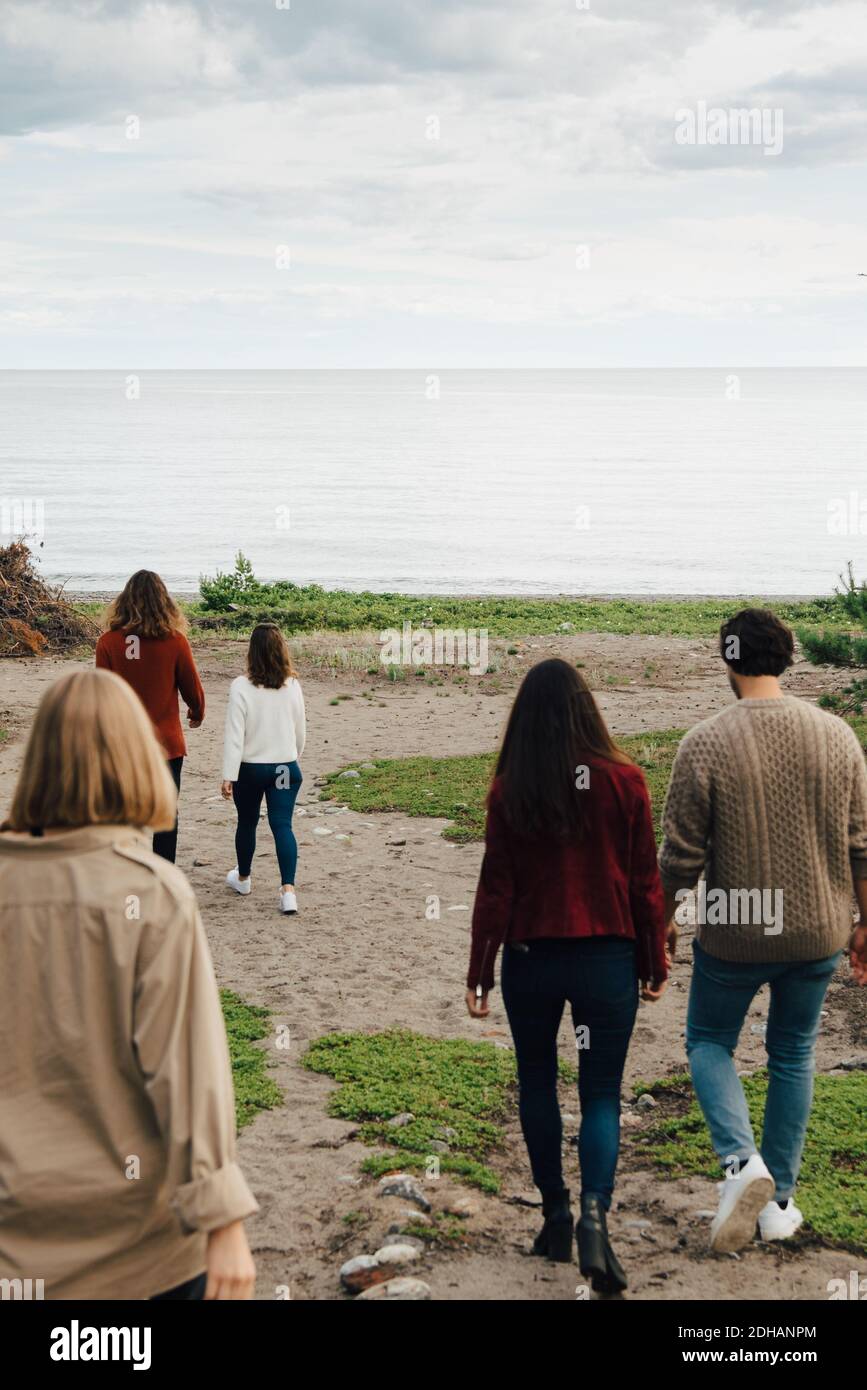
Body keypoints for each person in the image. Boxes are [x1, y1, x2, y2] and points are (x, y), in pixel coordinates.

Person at [0, 669, 258, 1300]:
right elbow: (187, 1071)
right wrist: (223, 1221)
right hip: (142, 1255)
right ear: (135, 758)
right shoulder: (152, 894)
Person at [659, 608, 867, 1254]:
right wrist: (864, 925)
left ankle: (738, 1161)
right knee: (792, 1053)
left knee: (707, 1041)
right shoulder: (837, 736)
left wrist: (659, 920)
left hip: (736, 932)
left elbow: (680, 856)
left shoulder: (704, 742)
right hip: (818, 929)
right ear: (785, 658)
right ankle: (778, 1202)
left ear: (727, 659)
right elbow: (862, 844)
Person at [465, 658, 668, 1293]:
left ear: (524, 717)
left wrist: (480, 969)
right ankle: (594, 1221)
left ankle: (554, 1211)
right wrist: (654, 959)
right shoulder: (626, 781)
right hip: (607, 957)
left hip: (530, 958)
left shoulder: (509, 789)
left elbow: (496, 887)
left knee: (537, 1083)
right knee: (601, 1093)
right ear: (588, 710)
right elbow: (645, 884)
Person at [96, 569, 205, 863]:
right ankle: (162, 875)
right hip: (166, 744)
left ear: (124, 600)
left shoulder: (107, 643)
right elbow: (191, 687)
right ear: (163, 602)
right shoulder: (175, 642)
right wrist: (197, 712)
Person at [221, 623, 306, 915]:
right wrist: (291, 756)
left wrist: (228, 775)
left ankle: (243, 878)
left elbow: (235, 735)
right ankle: (288, 892)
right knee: (282, 825)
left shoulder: (241, 686)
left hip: (250, 770)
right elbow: (300, 731)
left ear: (251, 652)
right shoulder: (292, 684)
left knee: (247, 822)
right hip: (284, 767)